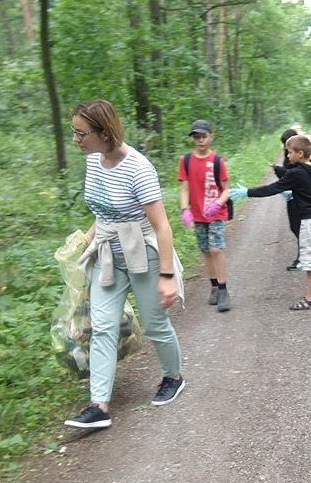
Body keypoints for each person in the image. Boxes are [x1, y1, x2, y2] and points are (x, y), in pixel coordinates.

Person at [66, 100, 185, 429]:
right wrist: (87, 238)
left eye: (81, 132)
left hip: (142, 254)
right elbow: (103, 210)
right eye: (74, 131)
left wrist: (166, 276)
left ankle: (174, 376)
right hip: (108, 254)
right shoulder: (93, 161)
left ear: (104, 133)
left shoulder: (138, 169)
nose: (75, 138)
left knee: (154, 324)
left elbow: (162, 226)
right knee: (102, 327)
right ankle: (99, 406)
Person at [230, 134, 311, 310]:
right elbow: (294, 179)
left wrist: (248, 192)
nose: (287, 156)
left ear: (300, 153)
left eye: (289, 153)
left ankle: (310, 299)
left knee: (309, 261)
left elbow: (273, 188)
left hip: (310, 221)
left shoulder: (296, 173)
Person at [178, 119, 232, 312]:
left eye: (204, 136)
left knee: (216, 248)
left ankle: (224, 290)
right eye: (197, 137)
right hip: (198, 214)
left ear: (211, 137)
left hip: (216, 213)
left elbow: (226, 190)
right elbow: (185, 189)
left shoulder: (217, 161)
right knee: (206, 251)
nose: (200, 140)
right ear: (192, 139)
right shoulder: (185, 161)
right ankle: (214, 286)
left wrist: (217, 203)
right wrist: (184, 209)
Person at [275, 127, 302, 271]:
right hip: (290, 196)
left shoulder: (298, 155)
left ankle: (302, 257)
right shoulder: (287, 155)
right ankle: (304, 255)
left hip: (299, 197)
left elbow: (295, 174)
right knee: (294, 226)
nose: (285, 148)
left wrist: (281, 172)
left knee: (299, 226)